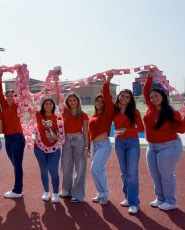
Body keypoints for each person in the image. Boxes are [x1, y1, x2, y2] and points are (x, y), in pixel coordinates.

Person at [143, 68, 185, 211]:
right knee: (154, 174)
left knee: (166, 174)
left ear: (163, 96)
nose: (153, 99)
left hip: (169, 146)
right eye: (151, 97)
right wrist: (150, 77)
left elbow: (182, 129)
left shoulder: (171, 112)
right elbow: (146, 91)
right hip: (152, 147)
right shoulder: (150, 107)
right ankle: (160, 198)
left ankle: (171, 201)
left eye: (156, 96)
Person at [111, 83, 144, 214]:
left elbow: (141, 129)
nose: (124, 98)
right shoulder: (114, 110)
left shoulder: (134, 112)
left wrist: (127, 130)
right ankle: (127, 197)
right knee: (124, 173)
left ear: (130, 100)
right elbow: (107, 98)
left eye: (127, 97)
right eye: (122, 95)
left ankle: (134, 203)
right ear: (118, 97)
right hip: (119, 142)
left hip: (132, 143)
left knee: (132, 174)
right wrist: (106, 82)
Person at [0, 72, 25, 199]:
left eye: (12, 95)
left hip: (17, 138)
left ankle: (17, 190)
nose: (9, 97)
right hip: (7, 138)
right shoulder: (4, 105)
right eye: (7, 95)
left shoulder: (17, 105)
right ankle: (19, 186)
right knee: (15, 164)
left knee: (17, 165)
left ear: (15, 97)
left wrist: (18, 79)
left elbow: (20, 92)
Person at [88, 72, 115, 205]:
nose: (100, 103)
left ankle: (104, 193)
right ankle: (101, 193)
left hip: (104, 145)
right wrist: (88, 147)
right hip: (94, 146)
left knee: (94, 169)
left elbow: (109, 101)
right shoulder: (92, 116)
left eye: (102, 101)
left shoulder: (108, 113)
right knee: (100, 170)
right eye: (97, 101)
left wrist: (106, 84)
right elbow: (89, 132)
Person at [59, 93, 90, 203]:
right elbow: (58, 97)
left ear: (78, 101)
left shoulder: (83, 114)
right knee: (66, 166)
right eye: (70, 100)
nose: (72, 102)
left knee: (80, 168)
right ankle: (66, 190)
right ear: (67, 102)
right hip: (66, 140)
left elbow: (86, 132)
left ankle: (77, 194)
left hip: (79, 140)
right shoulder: (63, 114)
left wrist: (87, 148)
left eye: (74, 100)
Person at [34, 98, 61, 203]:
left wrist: (53, 136)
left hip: (54, 149)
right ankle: (46, 191)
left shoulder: (57, 118)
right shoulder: (38, 115)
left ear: (53, 106)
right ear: (43, 105)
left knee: (53, 171)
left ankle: (55, 193)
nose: (48, 105)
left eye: (50, 103)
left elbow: (61, 137)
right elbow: (30, 103)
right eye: (46, 103)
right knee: (43, 171)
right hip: (39, 148)